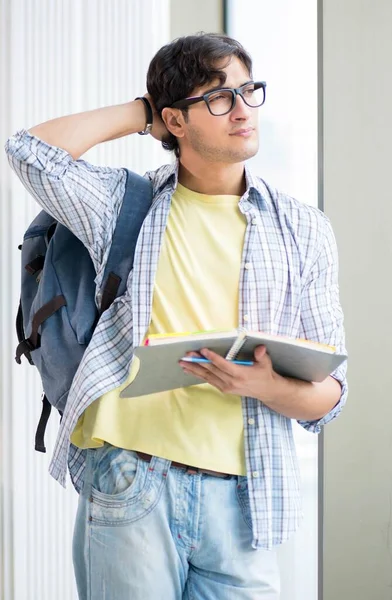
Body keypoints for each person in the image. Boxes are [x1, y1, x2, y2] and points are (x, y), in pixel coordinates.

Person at [5, 33, 347, 600]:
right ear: (175, 121)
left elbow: (330, 398)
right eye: (218, 97)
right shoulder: (124, 205)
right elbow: (28, 150)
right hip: (132, 479)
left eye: (247, 91)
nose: (242, 110)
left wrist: (264, 385)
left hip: (245, 503)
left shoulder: (302, 229)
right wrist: (143, 112)